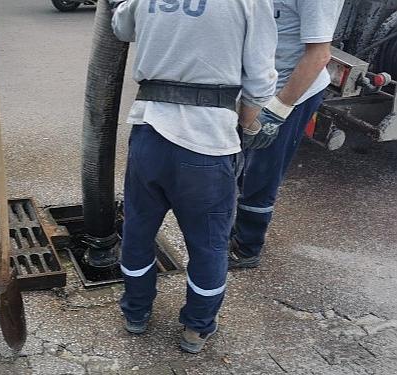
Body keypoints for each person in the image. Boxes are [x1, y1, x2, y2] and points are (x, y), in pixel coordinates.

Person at [110, 0, 278, 353]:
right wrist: (248, 126)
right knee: (209, 245)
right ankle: (196, 328)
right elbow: (260, 81)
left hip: (149, 133)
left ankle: (136, 312)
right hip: (209, 142)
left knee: (138, 232)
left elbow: (120, 27)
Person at [229, 0, 345, 269]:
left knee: (261, 171)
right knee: (237, 162)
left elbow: (318, 56)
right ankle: (231, 228)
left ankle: (246, 247)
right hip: (256, 85)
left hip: (289, 91)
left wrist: (277, 110)